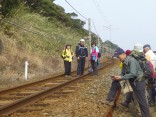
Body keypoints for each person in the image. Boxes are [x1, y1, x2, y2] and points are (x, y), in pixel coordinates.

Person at [101, 46, 150, 117]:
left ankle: (146, 115)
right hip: (132, 81)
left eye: (118, 56)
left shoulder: (131, 60)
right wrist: (118, 77)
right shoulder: (124, 61)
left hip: (138, 82)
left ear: (123, 54)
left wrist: (122, 77)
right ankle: (109, 100)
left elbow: (133, 73)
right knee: (116, 82)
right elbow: (123, 73)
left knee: (142, 101)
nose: (118, 58)